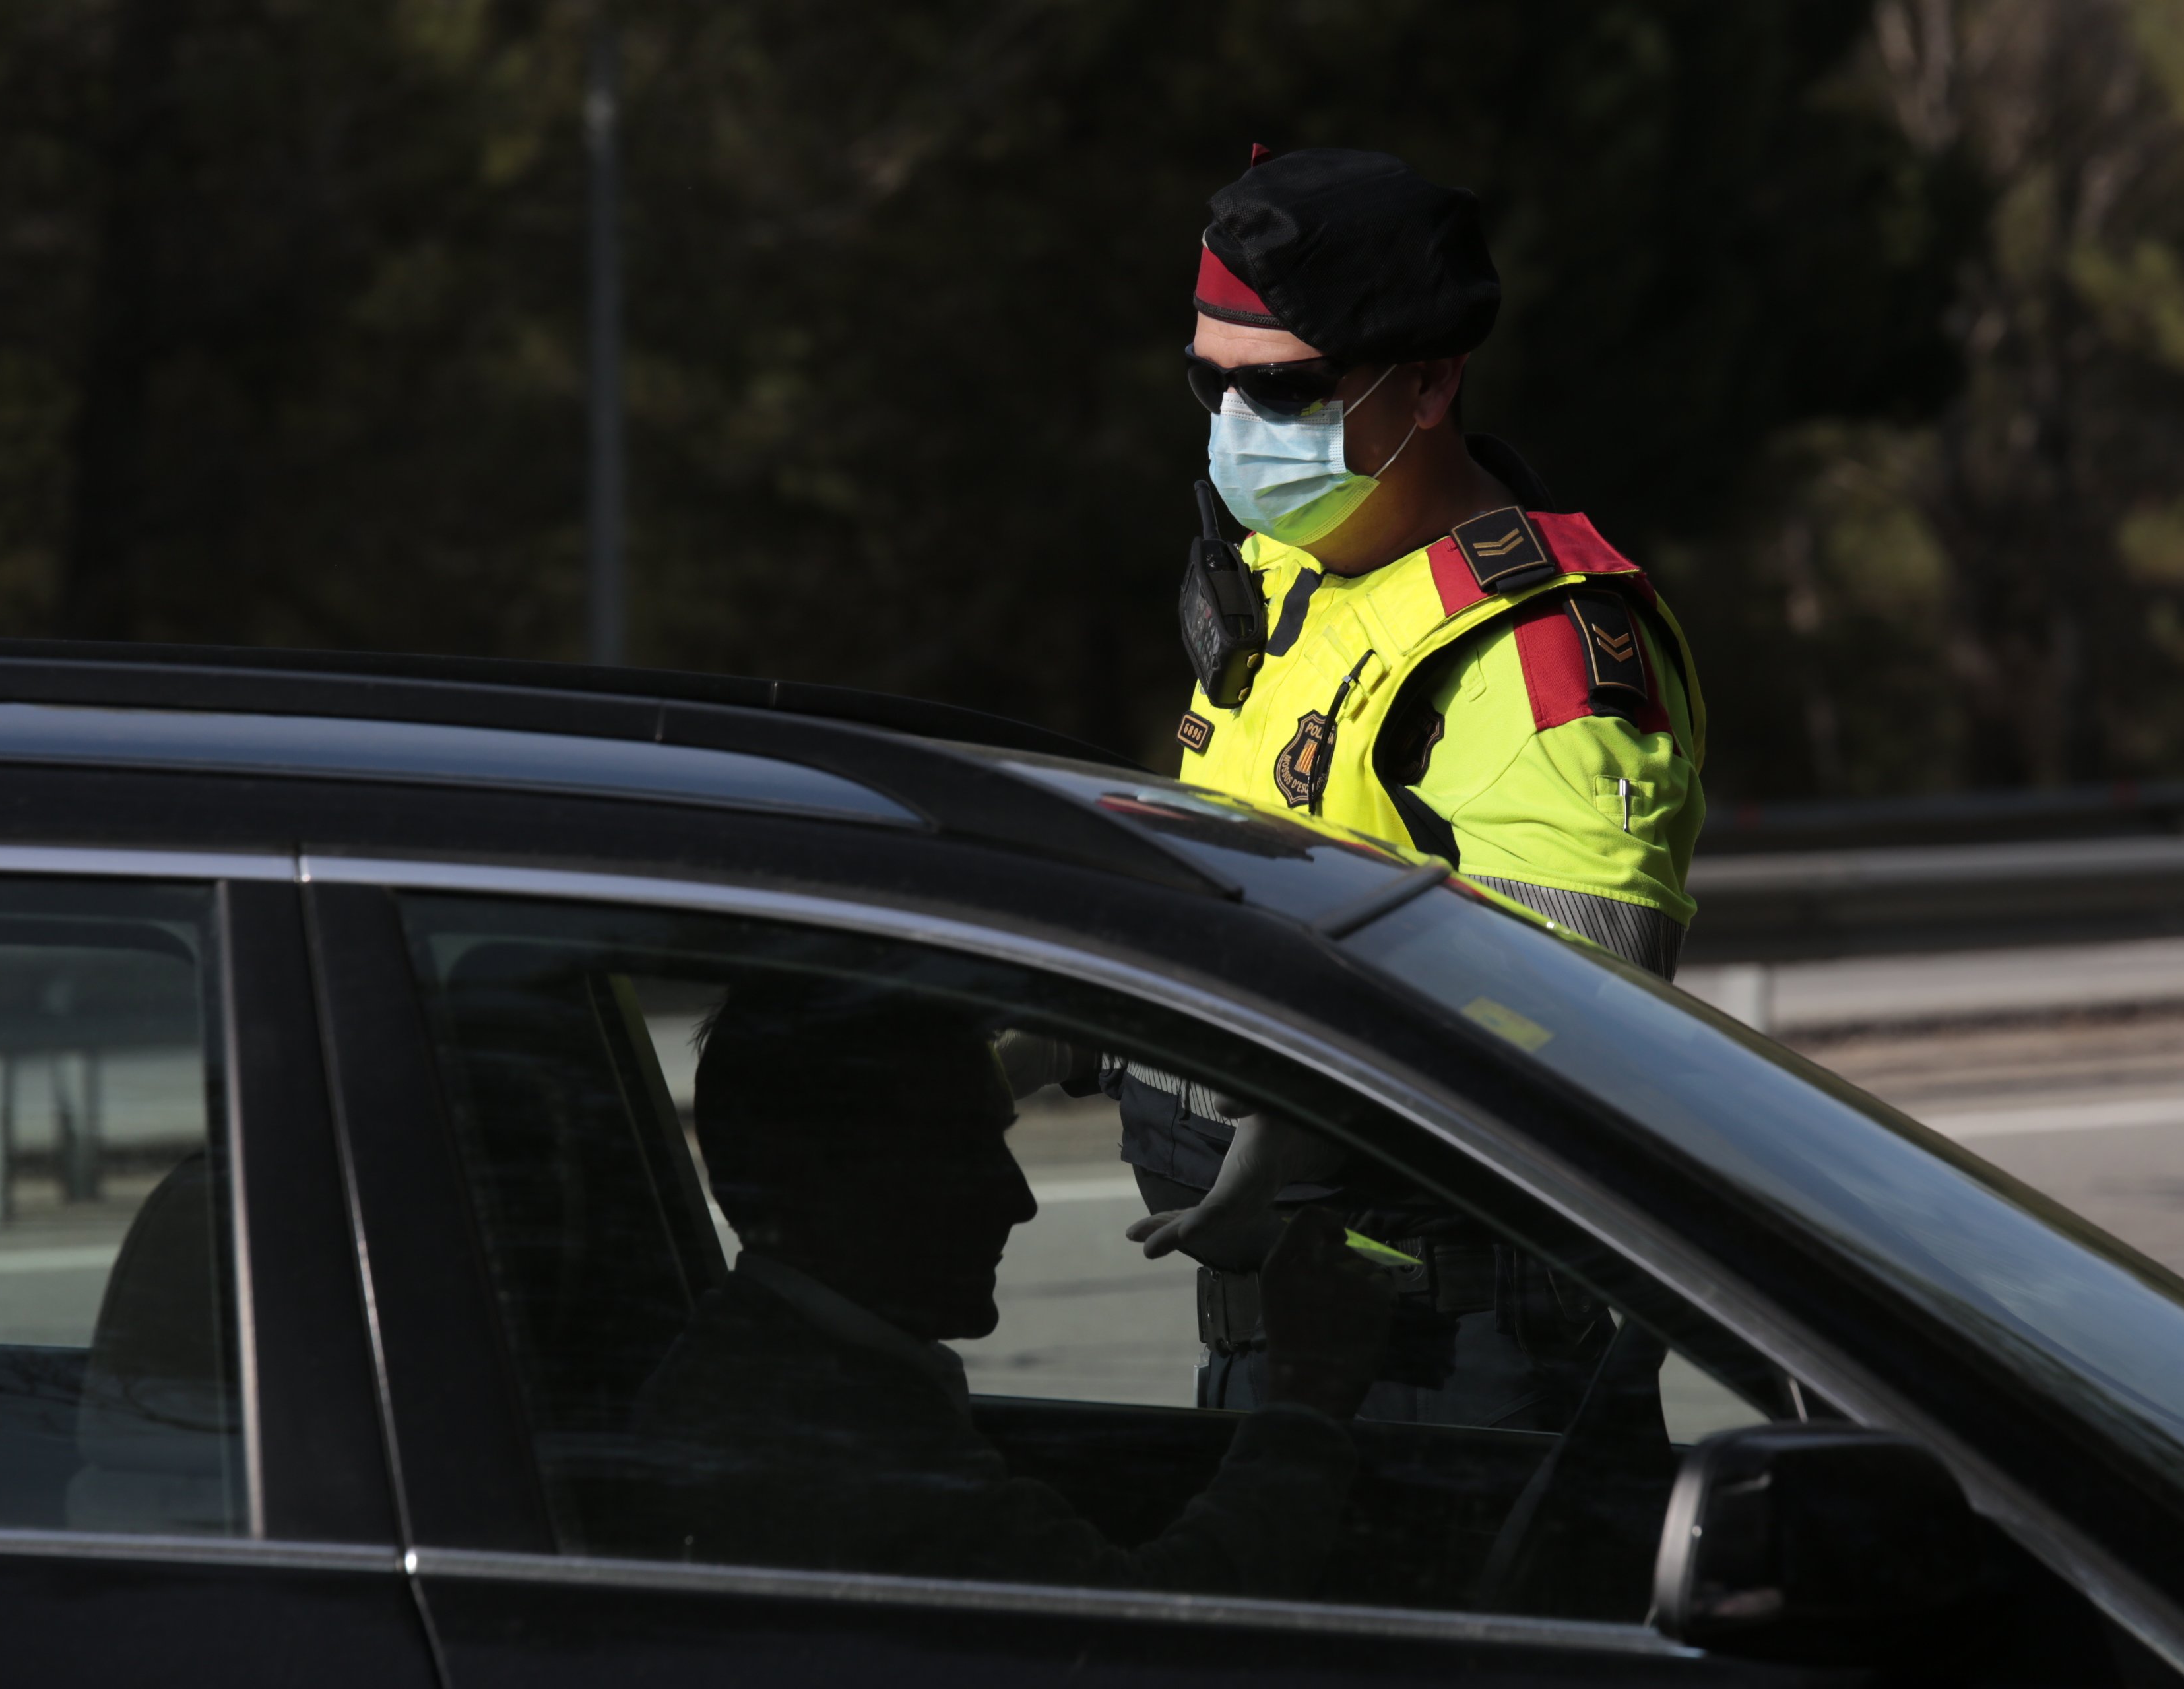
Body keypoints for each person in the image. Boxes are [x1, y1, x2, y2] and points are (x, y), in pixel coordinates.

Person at [1114, 145, 1705, 1422]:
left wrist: (1321, 1113)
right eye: (1206, 382)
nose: (1234, 429)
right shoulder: (1289, 573)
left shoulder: (1530, 652)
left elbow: (1578, 1011)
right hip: (1298, 1343)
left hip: (1456, 1364)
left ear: (1430, 380)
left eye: (1289, 390)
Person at [632, 978, 1394, 1597]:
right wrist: (1303, 1405)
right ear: (839, 1188)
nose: (1019, 1199)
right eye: (966, 1150)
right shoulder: (842, 1453)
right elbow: (1151, 1639)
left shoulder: (778, 1380)